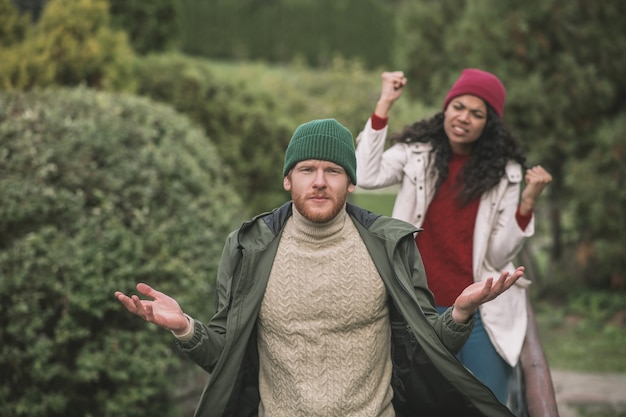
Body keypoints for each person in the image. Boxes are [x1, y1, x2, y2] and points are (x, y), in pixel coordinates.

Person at [115, 118, 526, 417]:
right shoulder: (249, 247)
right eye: (307, 169)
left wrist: (459, 313)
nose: (319, 181)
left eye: (333, 171)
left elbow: (422, 353)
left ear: (351, 184)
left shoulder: (390, 244)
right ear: (287, 180)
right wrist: (185, 326)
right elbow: (225, 355)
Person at [354, 69, 553, 405]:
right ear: (446, 107)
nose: (464, 118)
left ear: (488, 123)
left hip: (480, 314)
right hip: (418, 310)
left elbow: (500, 251)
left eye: (477, 114)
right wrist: (385, 102)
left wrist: (528, 200)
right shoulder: (417, 153)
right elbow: (365, 174)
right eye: (458, 106)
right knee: (419, 405)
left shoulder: (505, 173)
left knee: (488, 405)